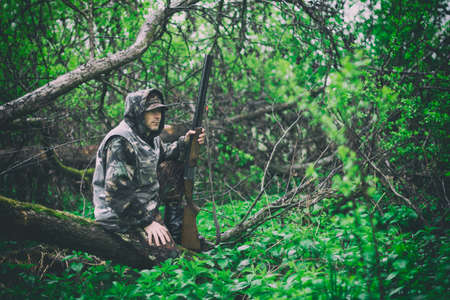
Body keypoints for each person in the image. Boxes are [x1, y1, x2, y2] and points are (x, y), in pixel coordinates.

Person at [92, 88, 205, 248]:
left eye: (159, 110)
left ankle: (175, 227)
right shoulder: (120, 141)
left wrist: (186, 143)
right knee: (170, 259)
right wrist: (146, 222)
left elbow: (163, 153)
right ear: (137, 112)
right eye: (151, 111)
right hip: (121, 217)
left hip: (143, 208)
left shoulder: (149, 137)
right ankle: (166, 238)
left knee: (176, 165)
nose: (157, 116)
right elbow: (117, 194)